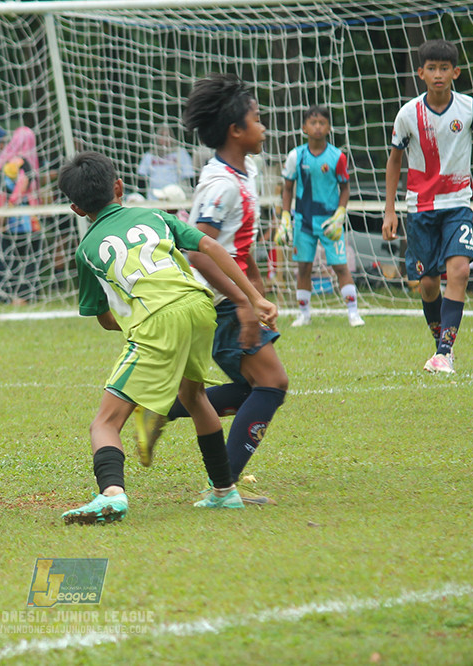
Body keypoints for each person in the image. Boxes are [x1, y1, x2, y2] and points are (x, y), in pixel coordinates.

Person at [57, 151, 278, 525]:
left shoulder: (86, 251)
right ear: (119, 187)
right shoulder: (157, 216)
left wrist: (131, 326)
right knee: (192, 396)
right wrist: (254, 297)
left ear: (77, 209)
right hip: (199, 306)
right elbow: (208, 246)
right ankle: (224, 491)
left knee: (105, 423)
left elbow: (103, 317)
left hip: (158, 321)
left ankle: (111, 494)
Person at [152, 73, 289, 503]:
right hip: (218, 302)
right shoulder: (220, 185)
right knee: (272, 384)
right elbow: (198, 252)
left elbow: (237, 247)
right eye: (257, 119)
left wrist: (260, 294)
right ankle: (221, 488)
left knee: (254, 389)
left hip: (233, 300)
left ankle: (154, 410)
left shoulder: (240, 174)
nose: (264, 127)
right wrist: (243, 302)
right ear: (236, 130)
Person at [383, 39, 473, 375]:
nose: (438, 74)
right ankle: (439, 345)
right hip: (420, 208)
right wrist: (390, 210)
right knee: (429, 283)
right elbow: (394, 160)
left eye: (444, 68)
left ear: (455, 72)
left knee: (459, 270)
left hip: (458, 203)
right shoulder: (408, 114)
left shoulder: (469, 109)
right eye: (431, 68)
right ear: (420, 73)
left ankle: (445, 352)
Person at [276, 105, 364, 327]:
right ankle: (304, 314)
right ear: (304, 127)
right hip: (303, 222)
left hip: (329, 222)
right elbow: (287, 188)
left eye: (322, 123)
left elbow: (345, 189)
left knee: (340, 266)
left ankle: (353, 312)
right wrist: (286, 217)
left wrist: (340, 214)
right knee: (304, 267)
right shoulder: (296, 156)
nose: (317, 127)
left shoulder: (338, 157)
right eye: (313, 123)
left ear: (328, 127)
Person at [0, 126, 42, 305]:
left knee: (8, 257)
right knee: (27, 257)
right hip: (21, 219)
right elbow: (21, 186)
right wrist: (9, 208)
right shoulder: (21, 162)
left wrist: (0, 211)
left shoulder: (3, 161)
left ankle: (7, 294)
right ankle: (23, 295)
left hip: (6, 217)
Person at [136, 124, 195, 201]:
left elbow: (188, 175)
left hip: (174, 197)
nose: (164, 139)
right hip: (154, 198)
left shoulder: (180, 153)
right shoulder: (150, 155)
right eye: (162, 135)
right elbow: (141, 175)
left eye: (167, 136)